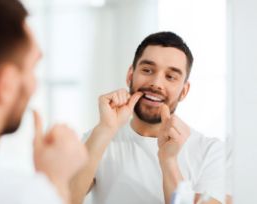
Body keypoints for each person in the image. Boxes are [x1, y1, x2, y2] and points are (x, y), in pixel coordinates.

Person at [0, 0, 87, 204]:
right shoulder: (21, 196)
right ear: (6, 85)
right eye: (32, 68)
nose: (34, 85)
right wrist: (55, 182)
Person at [70, 32, 225, 204]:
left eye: (170, 77)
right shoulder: (97, 139)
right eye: (147, 70)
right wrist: (105, 130)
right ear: (130, 75)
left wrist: (169, 162)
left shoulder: (211, 152)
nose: (156, 83)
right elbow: (66, 199)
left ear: (184, 91)